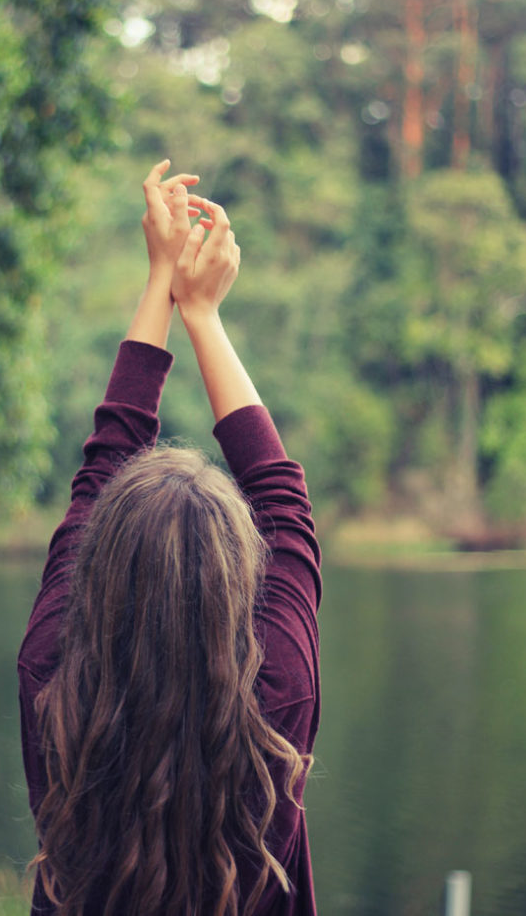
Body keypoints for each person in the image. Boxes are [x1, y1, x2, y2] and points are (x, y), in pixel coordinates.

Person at [18, 161, 322, 916]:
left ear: (99, 568)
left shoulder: (53, 681)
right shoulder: (278, 694)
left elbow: (102, 471)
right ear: (238, 576)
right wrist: (201, 312)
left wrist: (162, 281)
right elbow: (284, 502)